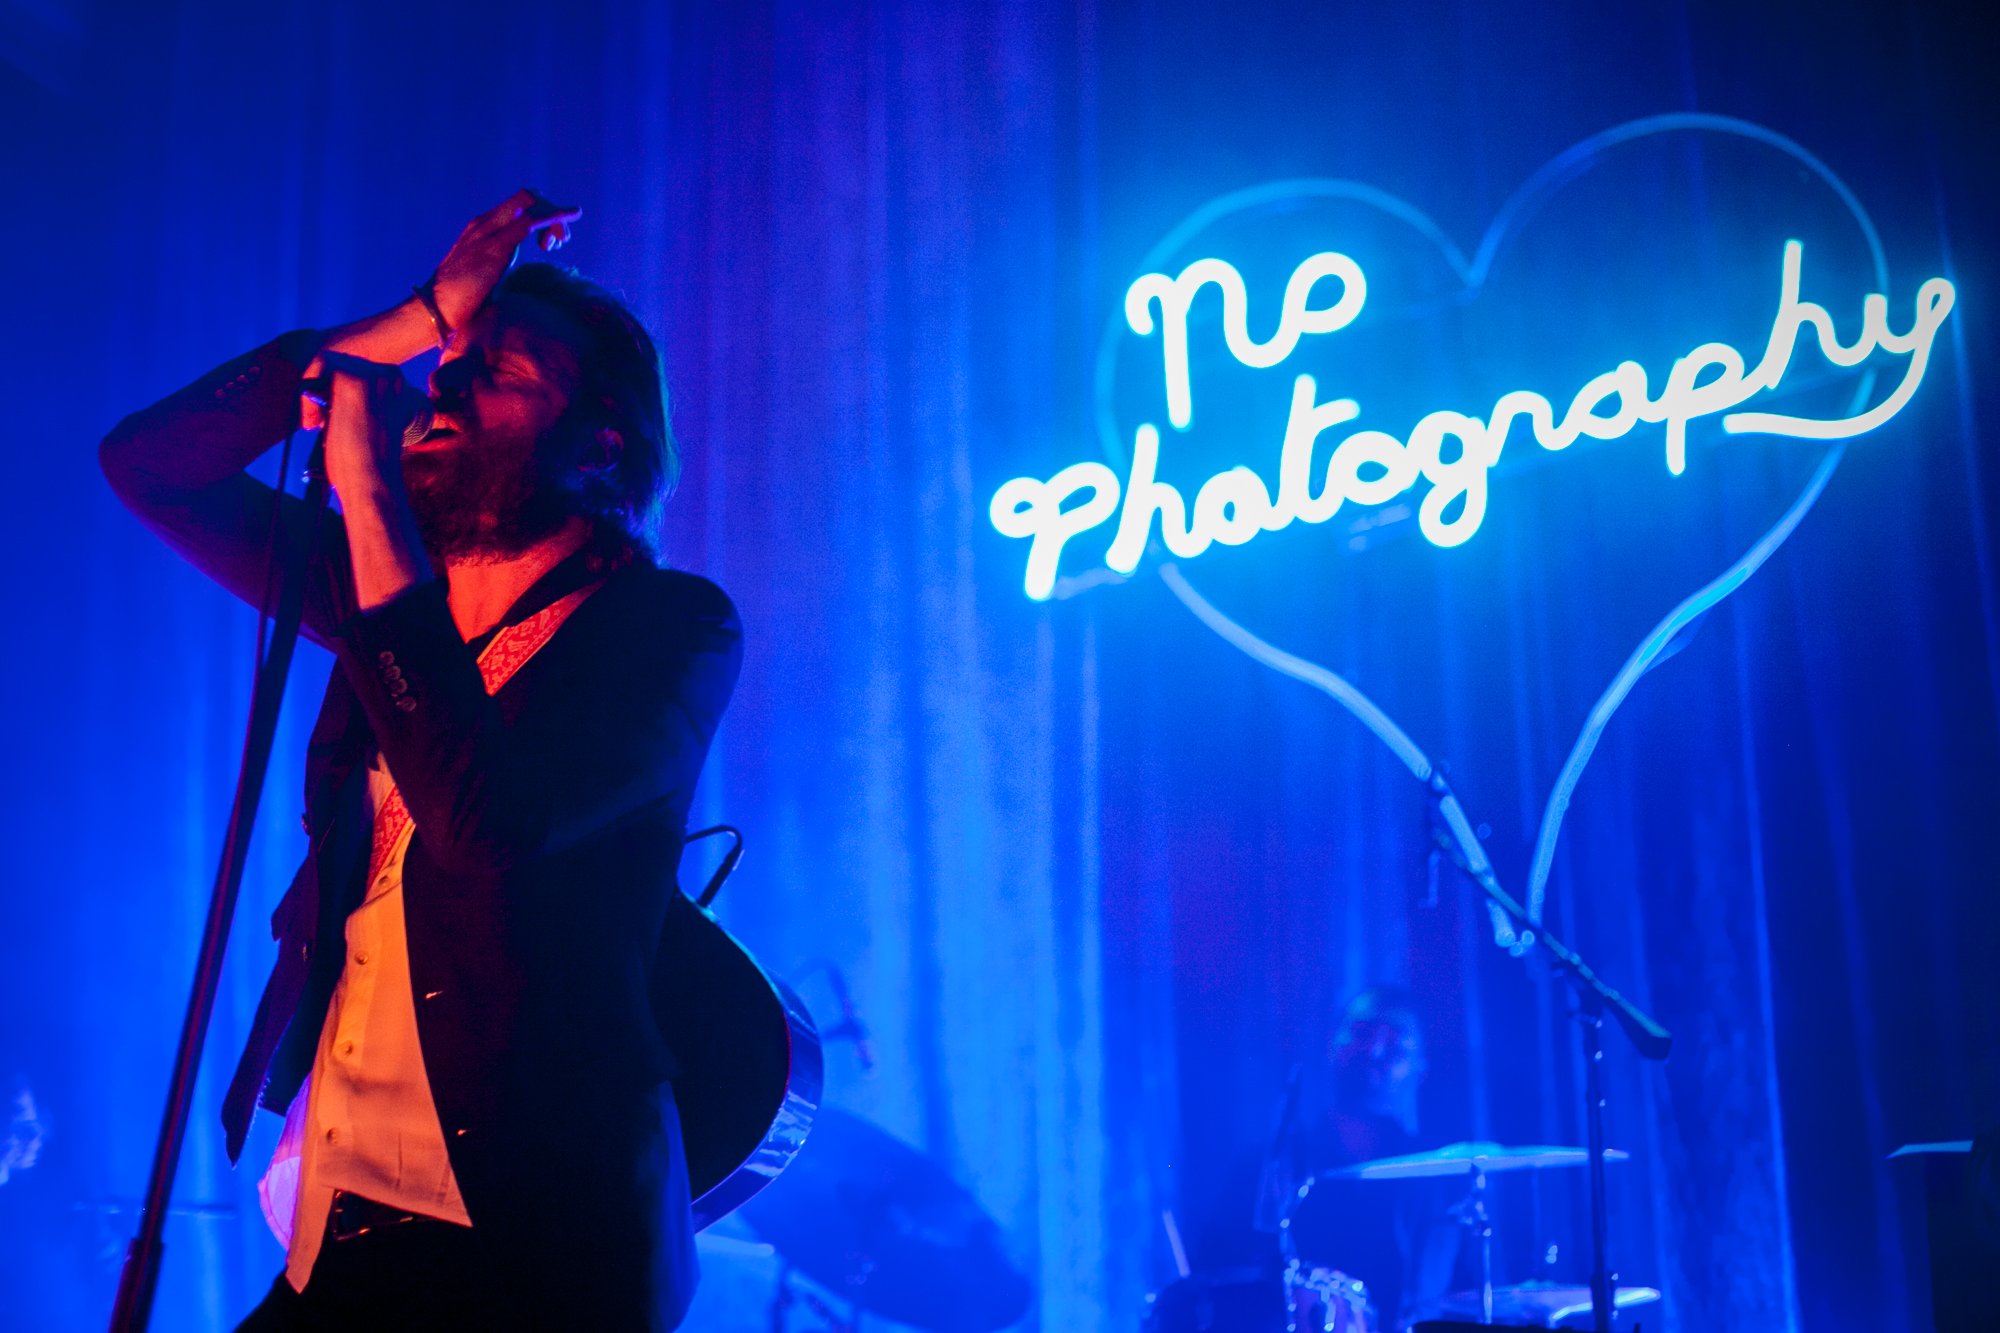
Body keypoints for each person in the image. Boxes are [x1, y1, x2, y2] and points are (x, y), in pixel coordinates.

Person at [100, 191, 742, 1332]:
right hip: (338, 1211)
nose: (443, 386)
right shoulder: (376, 594)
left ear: (598, 444)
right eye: (448, 363)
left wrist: (368, 494)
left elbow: (484, 821)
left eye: (498, 373)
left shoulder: (669, 629)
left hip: (533, 1239)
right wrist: (413, 319)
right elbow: (151, 464)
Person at [1253, 987, 1458, 1331]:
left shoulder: (1438, 1178)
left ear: (1419, 1072)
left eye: (1394, 1045)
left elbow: (1466, 1297)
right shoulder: (1270, 1165)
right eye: (1362, 1034)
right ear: (1330, 1047)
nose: (1374, 1052)